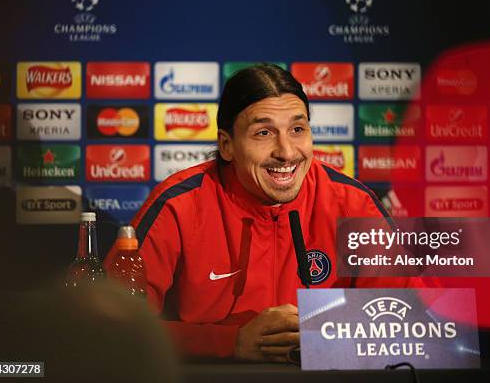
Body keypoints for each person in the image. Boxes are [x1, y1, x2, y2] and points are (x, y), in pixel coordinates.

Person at [105, 63, 422, 362]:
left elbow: (407, 322)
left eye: (297, 129)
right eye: (263, 133)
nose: (286, 152)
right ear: (227, 145)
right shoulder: (178, 205)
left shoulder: (353, 205)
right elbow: (110, 326)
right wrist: (231, 342)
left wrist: (326, 332)